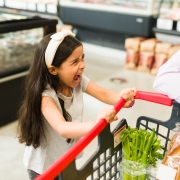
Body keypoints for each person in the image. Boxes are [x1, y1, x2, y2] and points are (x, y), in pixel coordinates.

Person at [17, 30, 137, 180]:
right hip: (44, 168)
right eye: (75, 62)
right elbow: (63, 128)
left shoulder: (77, 81)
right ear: (53, 70)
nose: (83, 65)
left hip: (66, 158)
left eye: (82, 58)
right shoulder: (46, 97)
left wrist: (123, 98)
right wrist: (98, 122)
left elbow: (104, 94)